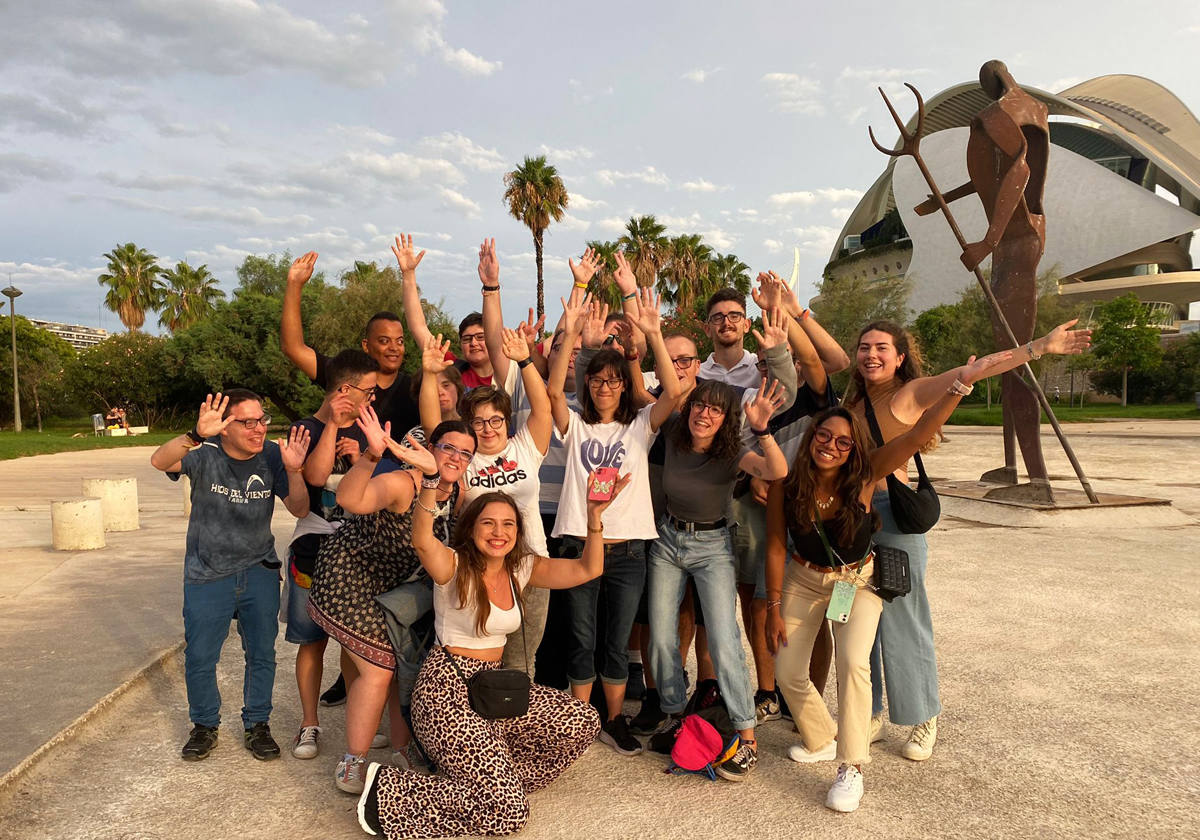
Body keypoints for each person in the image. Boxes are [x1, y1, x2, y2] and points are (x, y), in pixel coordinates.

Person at [766, 351, 1011, 812]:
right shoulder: (790, 480)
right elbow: (776, 546)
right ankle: (821, 737)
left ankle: (851, 767)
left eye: (842, 441)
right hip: (803, 582)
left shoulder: (865, 472)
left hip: (855, 583)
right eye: (824, 435)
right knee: (787, 672)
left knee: (854, 663)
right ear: (812, 436)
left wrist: (960, 386)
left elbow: (920, 433)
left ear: (854, 448)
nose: (831, 446)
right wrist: (774, 606)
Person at [843, 318, 1090, 762]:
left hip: (894, 518)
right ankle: (872, 712)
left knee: (905, 620)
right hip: (855, 520)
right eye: (864, 347)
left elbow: (970, 373)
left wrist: (1038, 347)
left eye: (881, 347)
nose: (871, 355)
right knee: (863, 624)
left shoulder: (911, 393)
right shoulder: (854, 401)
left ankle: (923, 716)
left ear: (900, 357)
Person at [355, 445, 627, 839]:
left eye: (508, 525)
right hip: (446, 690)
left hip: (494, 689)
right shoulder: (454, 564)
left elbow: (590, 568)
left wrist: (595, 517)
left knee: (582, 721)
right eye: (488, 523)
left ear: (518, 533)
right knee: (508, 815)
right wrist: (431, 483)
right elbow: (422, 540)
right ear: (472, 527)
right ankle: (389, 790)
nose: (499, 533)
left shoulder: (522, 568)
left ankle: (494, 781)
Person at [307, 407, 475, 793]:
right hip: (351, 575)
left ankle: (401, 746)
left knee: (402, 664)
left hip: (395, 586)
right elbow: (353, 500)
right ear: (428, 448)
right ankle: (353, 760)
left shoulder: (458, 491)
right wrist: (371, 456)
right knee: (381, 668)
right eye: (448, 448)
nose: (456, 458)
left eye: (465, 453)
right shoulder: (404, 482)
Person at [548, 288, 682, 755]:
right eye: (597, 381)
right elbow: (550, 392)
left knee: (617, 639)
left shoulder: (640, 425)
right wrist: (568, 334)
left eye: (613, 380)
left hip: (627, 551)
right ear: (587, 386)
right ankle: (580, 722)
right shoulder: (575, 425)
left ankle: (612, 719)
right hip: (578, 545)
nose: (604, 387)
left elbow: (675, 390)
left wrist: (654, 334)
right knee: (581, 638)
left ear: (625, 384)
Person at [150, 390, 310, 762]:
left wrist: (294, 469)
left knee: (261, 653)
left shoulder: (273, 456)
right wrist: (194, 435)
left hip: (258, 571)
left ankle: (257, 724)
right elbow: (160, 461)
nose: (259, 429)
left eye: (262, 420)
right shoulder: (205, 456)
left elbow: (300, 507)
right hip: (207, 572)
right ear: (225, 428)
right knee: (201, 656)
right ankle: (204, 725)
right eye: (248, 422)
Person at [645, 377, 788, 780]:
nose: (704, 414)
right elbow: (649, 397)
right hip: (668, 540)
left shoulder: (732, 453)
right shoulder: (673, 431)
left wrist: (762, 429)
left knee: (725, 641)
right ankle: (676, 715)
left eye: (715, 409)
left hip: (713, 547)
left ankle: (747, 737)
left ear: (726, 419)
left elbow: (776, 470)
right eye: (699, 405)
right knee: (660, 636)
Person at [442, 325, 554, 677]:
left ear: (507, 421)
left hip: (531, 563)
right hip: (477, 569)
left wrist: (524, 360)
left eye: (496, 420)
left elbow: (543, 408)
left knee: (522, 660)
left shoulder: (524, 448)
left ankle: (514, 726)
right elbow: (433, 421)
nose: (488, 428)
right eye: (478, 422)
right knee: (477, 659)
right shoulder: (462, 459)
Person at [284, 349, 377, 760]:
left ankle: (360, 721)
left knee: (355, 642)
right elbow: (316, 478)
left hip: (355, 551)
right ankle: (309, 723)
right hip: (313, 548)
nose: (371, 399)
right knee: (311, 641)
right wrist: (331, 429)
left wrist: (360, 459)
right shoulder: (303, 429)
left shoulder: (367, 428)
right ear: (345, 390)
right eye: (368, 391)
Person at [281, 251, 421, 442]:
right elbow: (293, 347)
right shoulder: (343, 374)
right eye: (384, 341)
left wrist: (408, 275)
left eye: (400, 341)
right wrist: (294, 285)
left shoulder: (414, 389)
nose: (394, 347)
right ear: (366, 345)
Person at [395, 233, 493, 390]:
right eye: (467, 339)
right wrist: (408, 274)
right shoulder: (452, 369)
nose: (474, 343)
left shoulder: (508, 372)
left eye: (480, 337)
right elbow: (418, 327)